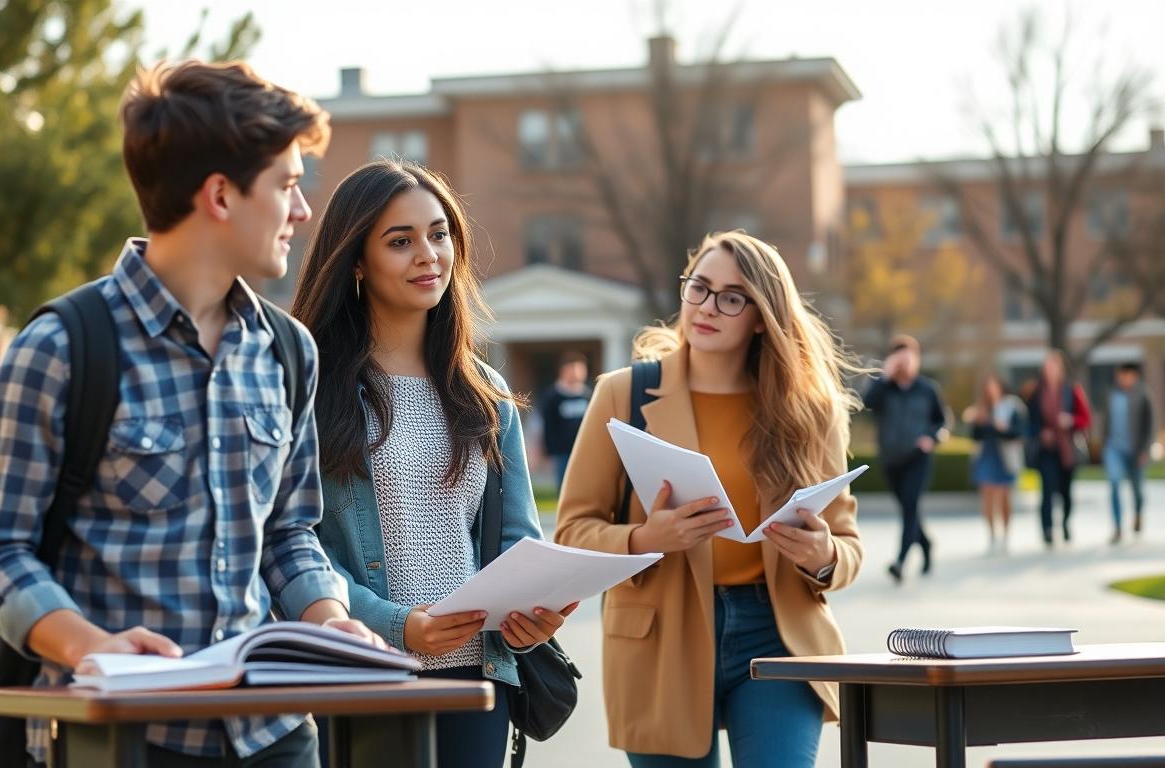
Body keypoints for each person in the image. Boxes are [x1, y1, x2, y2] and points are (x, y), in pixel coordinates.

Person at [0, 61, 385, 768]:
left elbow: (288, 531)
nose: (303, 211)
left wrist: (330, 623)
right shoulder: (61, 349)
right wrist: (87, 645)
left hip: (274, 737)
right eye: (286, 185)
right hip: (119, 738)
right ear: (219, 194)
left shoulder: (289, 352)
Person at [293, 159, 575, 768]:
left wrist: (532, 612)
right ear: (357, 261)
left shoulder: (485, 392)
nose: (429, 254)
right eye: (401, 241)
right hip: (363, 670)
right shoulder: (314, 389)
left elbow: (515, 538)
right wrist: (398, 626)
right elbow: (297, 546)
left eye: (439, 234)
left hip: (478, 677)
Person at [554, 231, 864, 767]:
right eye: (698, 287)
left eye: (731, 297)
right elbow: (572, 531)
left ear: (762, 316)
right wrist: (646, 538)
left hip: (778, 633)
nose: (707, 307)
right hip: (660, 634)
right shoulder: (621, 394)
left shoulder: (810, 411)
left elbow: (848, 545)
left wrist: (823, 556)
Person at [863, 335, 949, 583]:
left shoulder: (927, 389)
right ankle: (926, 543)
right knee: (908, 508)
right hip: (891, 458)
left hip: (917, 458)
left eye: (908, 358)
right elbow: (867, 404)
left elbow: (942, 421)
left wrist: (931, 437)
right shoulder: (884, 388)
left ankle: (900, 561)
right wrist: (884, 376)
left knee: (910, 505)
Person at [1024, 349, 1091, 547]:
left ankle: (1065, 522)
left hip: (1067, 449)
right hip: (1046, 450)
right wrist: (1041, 432)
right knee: (1046, 490)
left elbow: (1086, 419)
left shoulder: (1072, 390)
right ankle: (1047, 529)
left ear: (1060, 369)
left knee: (1066, 493)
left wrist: (1070, 420)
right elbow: (1029, 423)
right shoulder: (1035, 393)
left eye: (1054, 367)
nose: (1050, 371)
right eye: (1047, 367)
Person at [962, 373, 1025, 553]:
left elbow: (1018, 432)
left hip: (1005, 457)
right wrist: (978, 422)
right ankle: (992, 535)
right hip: (986, 456)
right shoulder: (980, 410)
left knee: (1004, 497)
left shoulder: (1011, 406)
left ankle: (1005, 535)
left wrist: (1002, 428)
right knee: (987, 496)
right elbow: (974, 436)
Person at [1103, 362, 1155, 543]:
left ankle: (1138, 514)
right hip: (1114, 448)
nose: (1124, 378)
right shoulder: (1112, 394)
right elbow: (1106, 422)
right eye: (1121, 375)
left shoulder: (1143, 395)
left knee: (1137, 490)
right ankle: (1117, 527)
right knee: (1115, 484)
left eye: (1128, 375)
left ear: (1134, 376)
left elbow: (1150, 425)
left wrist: (1145, 450)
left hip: (1136, 450)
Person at [539, 350, 593, 487]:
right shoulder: (553, 397)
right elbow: (548, 426)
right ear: (563, 370)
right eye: (572, 369)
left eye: (579, 369)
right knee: (565, 486)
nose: (576, 373)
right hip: (562, 453)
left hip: (584, 450)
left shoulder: (588, 395)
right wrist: (548, 452)